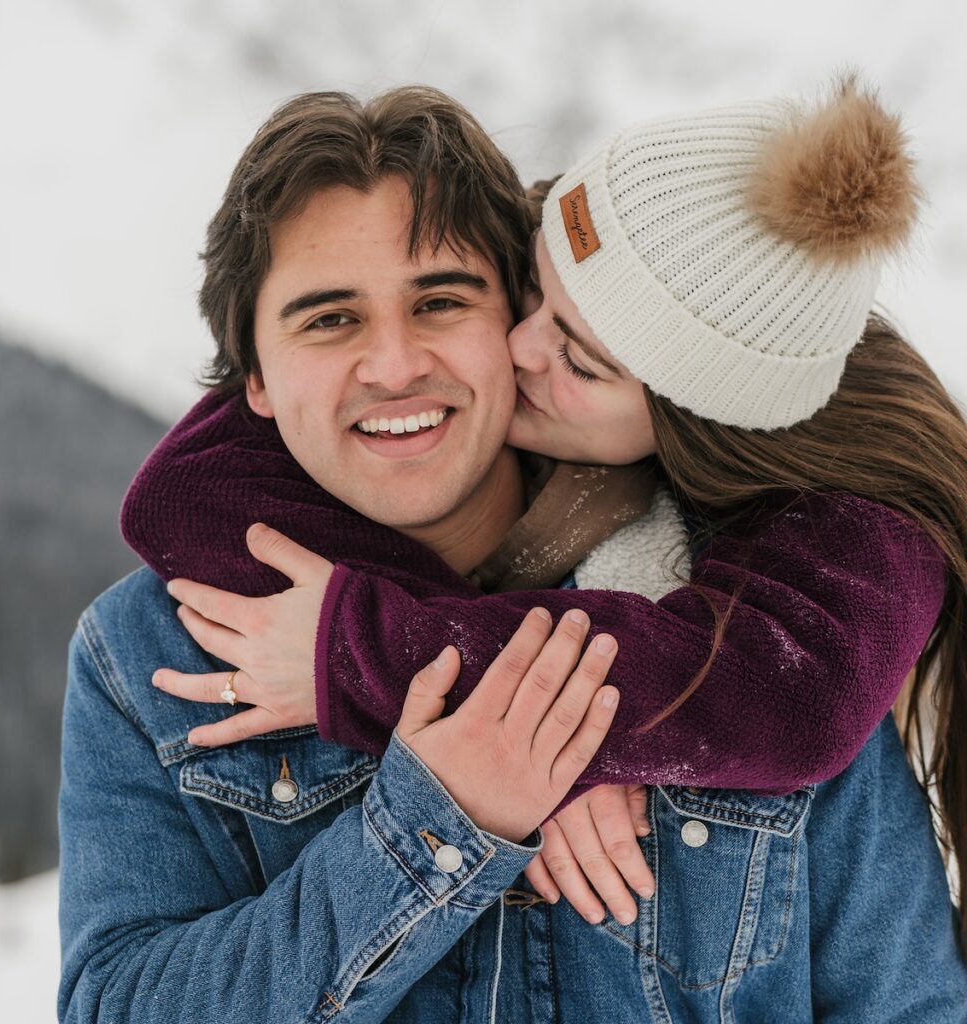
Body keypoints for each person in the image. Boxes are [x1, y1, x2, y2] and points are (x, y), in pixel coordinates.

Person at [59, 86, 967, 1024]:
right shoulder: (147, 654)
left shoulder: (746, 618)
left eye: (443, 300)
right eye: (329, 320)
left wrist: (580, 730)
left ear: (512, 305)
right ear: (253, 371)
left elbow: (905, 1004)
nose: (396, 365)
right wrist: (441, 814)